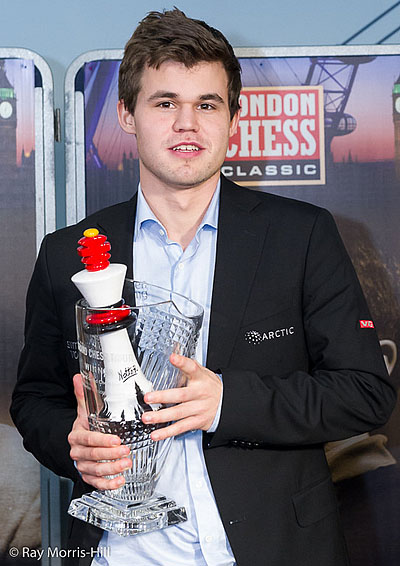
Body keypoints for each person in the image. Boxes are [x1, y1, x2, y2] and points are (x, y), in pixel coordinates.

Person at [11, 8, 396, 566]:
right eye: (165, 103)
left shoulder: (301, 236)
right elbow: (35, 399)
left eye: (207, 104)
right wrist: (74, 446)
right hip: (118, 553)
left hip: (271, 549)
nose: (187, 124)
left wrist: (226, 402)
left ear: (233, 119)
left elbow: (365, 392)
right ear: (127, 114)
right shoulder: (66, 254)